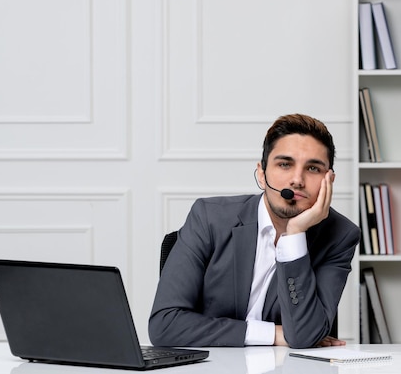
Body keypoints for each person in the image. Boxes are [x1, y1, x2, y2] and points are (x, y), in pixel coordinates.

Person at [148, 114, 360, 348]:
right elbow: (164, 325)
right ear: (261, 174)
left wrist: (294, 236)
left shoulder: (341, 236)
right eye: (285, 164)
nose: (297, 180)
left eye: (312, 168)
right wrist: (274, 335)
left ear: (329, 180)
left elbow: (303, 336)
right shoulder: (209, 217)